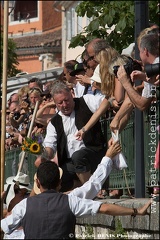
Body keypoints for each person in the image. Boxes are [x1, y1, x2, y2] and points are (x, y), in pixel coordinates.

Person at [1, 160, 152, 239]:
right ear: (60, 183)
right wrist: (136, 211)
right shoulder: (70, 201)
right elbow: (105, 208)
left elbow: (4, 227)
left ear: (37, 183)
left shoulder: (25, 205)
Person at [43, 81, 107, 192]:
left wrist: (86, 127)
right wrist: (44, 155)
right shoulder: (54, 123)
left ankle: (92, 192)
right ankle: (81, 187)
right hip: (70, 163)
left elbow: (106, 101)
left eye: (66, 100)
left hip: (94, 153)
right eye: (60, 103)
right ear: (55, 104)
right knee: (57, 181)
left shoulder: (86, 101)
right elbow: (50, 145)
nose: (64, 105)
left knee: (78, 156)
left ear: (71, 96)